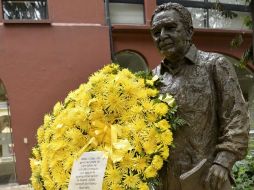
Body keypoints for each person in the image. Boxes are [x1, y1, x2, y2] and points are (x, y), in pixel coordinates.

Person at [151, 3, 250, 190]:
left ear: (189, 32)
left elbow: (237, 116)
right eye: (156, 32)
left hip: (207, 178)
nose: (162, 35)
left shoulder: (214, 65)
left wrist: (224, 160)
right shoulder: (152, 78)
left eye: (170, 28)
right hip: (166, 181)